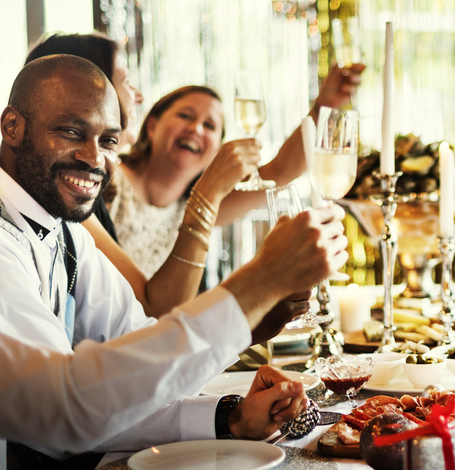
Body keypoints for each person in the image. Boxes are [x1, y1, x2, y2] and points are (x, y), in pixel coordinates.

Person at [0, 55, 347, 470]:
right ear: (13, 126)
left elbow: (130, 360)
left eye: (107, 140)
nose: (93, 157)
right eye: (71, 131)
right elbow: (65, 407)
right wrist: (254, 285)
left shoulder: (66, 232)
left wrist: (230, 413)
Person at [26, 32, 360, 316]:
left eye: (211, 125)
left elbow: (282, 171)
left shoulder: (189, 202)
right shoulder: (86, 186)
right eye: (185, 115)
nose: (197, 128)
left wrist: (325, 106)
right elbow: (149, 312)